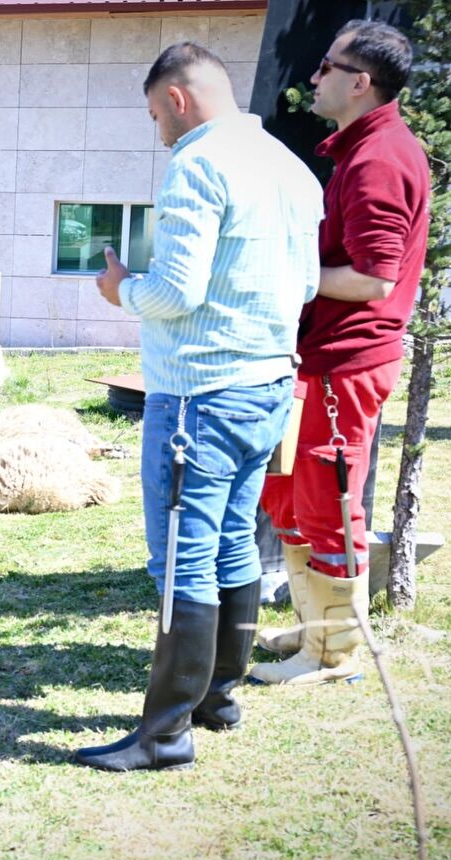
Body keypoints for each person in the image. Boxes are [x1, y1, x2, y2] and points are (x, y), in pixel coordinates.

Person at [77, 42, 323, 772]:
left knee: (182, 557)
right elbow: (306, 285)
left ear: (178, 100)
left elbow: (175, 293)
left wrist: (120, 287)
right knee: (230, 545)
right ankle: (217, 697)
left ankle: (163, 734)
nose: (158, 130)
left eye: (156, 114)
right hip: (265, 388)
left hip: (197, 395)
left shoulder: (197, 163)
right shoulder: (289, 167)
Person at [252, 21, 430, 687]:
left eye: (327, 66)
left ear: (360, 82)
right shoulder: (365, 148)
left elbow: (374, 278)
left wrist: (281, 274)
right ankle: (318, 628)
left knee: (327, 503)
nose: (313, 76)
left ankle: (331, 656)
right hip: (324, 358)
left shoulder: (379, 157)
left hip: (346, 362)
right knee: (291, 497)